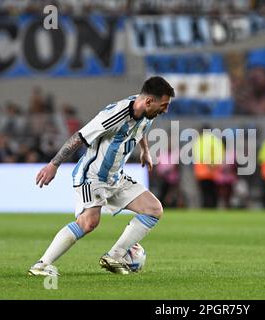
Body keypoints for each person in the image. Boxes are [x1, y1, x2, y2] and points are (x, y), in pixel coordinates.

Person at [28, 76, 175, 276]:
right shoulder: (115, 115)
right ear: (149, 101)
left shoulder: (148, 111)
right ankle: (41, 266)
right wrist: (54, 164)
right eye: (164, 105)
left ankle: (115, 255)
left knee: (153, 209)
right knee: (88, 223)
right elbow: (79, 137)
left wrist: (145, 150)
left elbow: (141, 129)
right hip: (93, 176)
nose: (165, 110)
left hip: (116, 177)